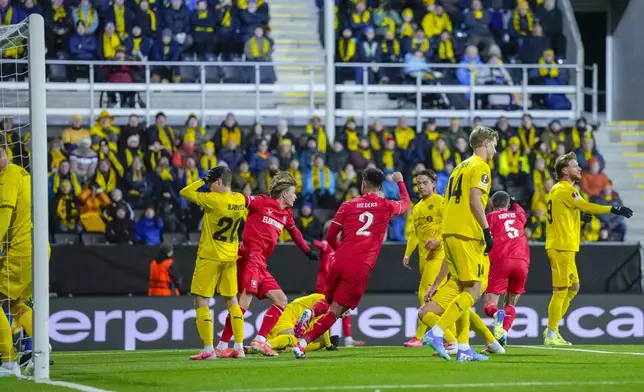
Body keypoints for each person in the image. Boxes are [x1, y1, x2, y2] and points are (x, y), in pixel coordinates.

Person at [291, 168, 411, 359]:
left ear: (363, 185)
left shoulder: (348, 205)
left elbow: (330, 235)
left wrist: (340, 251)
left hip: (338, 260)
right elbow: (405, 204)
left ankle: (311, 312)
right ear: (380, 186)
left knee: (328, 300)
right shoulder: (386, 206)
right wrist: (400, 182)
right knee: (337, 310)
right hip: (360, 266)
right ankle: (302, 344)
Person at [215, 171, 318, 357]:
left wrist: (307, 251)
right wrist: (222, 193)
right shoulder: (262, 202)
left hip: (261, 263)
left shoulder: (286, 214)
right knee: (243, 302)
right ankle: (223, 346)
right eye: (293, 192)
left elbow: (295, 234)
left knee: (281, 300)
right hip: (250, 257)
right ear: (284, 193)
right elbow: (241, 200)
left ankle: (259, 341)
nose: (295, 196)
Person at [423, 126, 498, 362]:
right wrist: (486, 230)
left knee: (463, 289)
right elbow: (476, 199)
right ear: (485, 142)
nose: (495, 149)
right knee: (474, 290)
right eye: (494, 144)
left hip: (450, 231)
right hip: (467, 233)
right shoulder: (480, 166)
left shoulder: (459, 167)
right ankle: (436, 333)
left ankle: (464, 347)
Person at [543, 152, 633, 346]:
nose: (579, 168)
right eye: (575, 166)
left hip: (565, 246)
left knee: (573, 288)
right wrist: (612, 209)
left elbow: (565, 213)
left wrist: (577, 217)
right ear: (565, 171)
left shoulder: (559, 190)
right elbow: (585, 205)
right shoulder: (566, 189)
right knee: (561, 290)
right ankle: (551, 334)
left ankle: (553, 328)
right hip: (560, 247)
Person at [179, 166, 248, 360]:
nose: (209, 186)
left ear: (218, 182)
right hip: (230, 257)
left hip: (210, 256)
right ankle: (239, 347)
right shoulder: (240, 199)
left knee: (201, 299)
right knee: (232, 300)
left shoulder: (212, 199)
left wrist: (201, 180)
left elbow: (184, 192)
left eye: (211, 183)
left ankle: (209, 349)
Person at [0, 145, 49, 377]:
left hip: (20, 250)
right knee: (17, 302)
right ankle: (41, 346)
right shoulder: (24, 174)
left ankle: (8, 362)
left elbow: (4, 214)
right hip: (39, 247)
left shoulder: (7, 177)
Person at [402, 169, 445, 347]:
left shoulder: (440, 202)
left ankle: (419, 336)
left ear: (433, 184)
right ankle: (448, 339)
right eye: (418, 183)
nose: (421, 186)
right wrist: (407, 253)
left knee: (424, 293)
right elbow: (414, 234)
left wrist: (438, 239)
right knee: (439, 297)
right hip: (423, 256)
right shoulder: (417, 207)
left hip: (439, 254)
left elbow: (450, 225)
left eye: (424, 182)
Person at [482, 191, 530, 347]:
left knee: (490, 304)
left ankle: (497, 315)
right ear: (508, 204)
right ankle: (501, 336)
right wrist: (514, 203)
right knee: (511, 303)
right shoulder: (518, 216)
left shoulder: (490, 218)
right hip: (522, 261)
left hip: (501, 260)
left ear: (492, 204)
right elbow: (522, 212)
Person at [313, 235, 365, 348]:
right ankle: (325, 341)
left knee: (343, 310)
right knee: (325, 311)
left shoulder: (344, 248)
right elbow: (316, 243)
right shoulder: (326, 245)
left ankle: (348, 339)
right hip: (324, 285)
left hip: (336, 284)